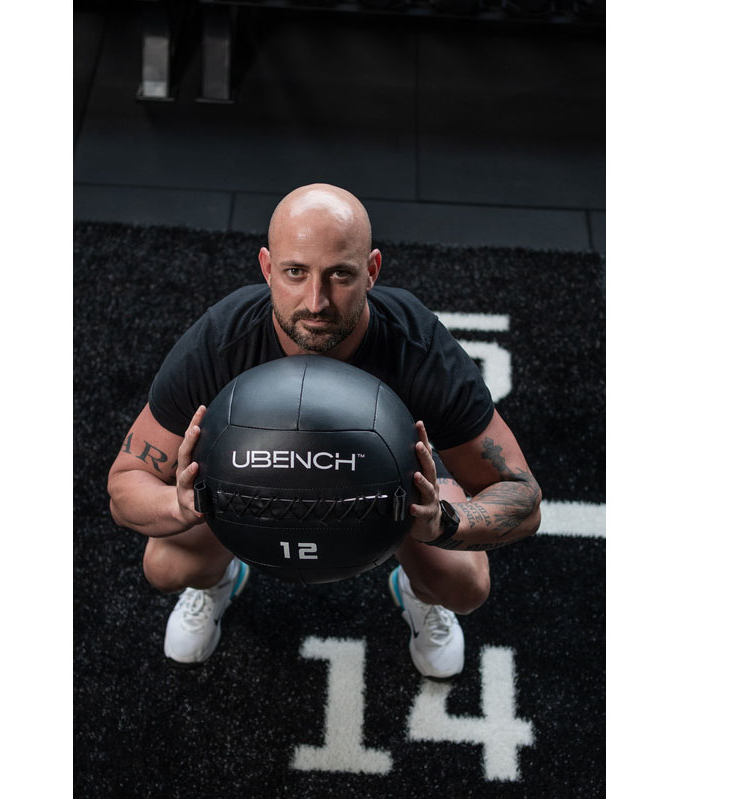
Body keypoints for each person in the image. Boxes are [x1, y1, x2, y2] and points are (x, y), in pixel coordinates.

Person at [107, 183, 541, 680]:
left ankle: (419, 594)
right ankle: (216, 583)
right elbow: (125, 484)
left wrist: (440, 521)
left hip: (393, 491)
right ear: (267, 268)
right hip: (244, 487)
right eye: (295, 272)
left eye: (340, 274)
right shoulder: (221, 341)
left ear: (372, 271)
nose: (316, 302)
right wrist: (179, 505)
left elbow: (523, 498)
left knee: (464, 586)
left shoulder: (417, 348)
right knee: (166, 567)